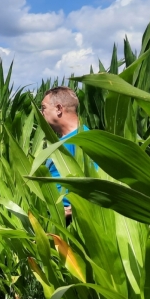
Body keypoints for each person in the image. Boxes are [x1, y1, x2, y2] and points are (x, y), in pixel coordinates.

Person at [40, 86, 86, 223]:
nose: (41, 113)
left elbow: (99, 182)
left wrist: (72, 210)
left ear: (59, 109)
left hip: (70, 222)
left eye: (43, 108)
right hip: (54, 218)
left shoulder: (83, 138)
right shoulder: (61, 141)